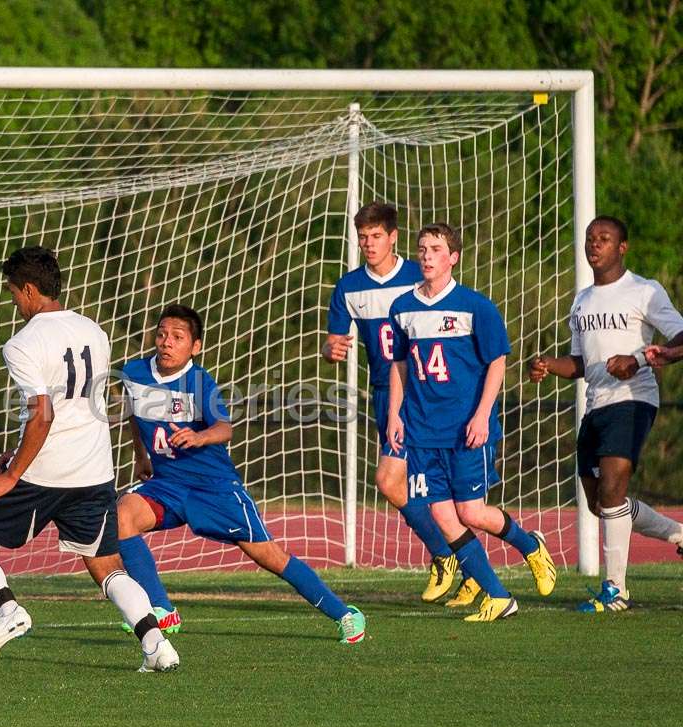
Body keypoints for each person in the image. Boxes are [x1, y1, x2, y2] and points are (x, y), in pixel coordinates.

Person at [0, 246, 180, 672]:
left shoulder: (22, 343)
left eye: (13, 294)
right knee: (107, 566)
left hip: (44, 471)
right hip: (93, 469)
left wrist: (11, 474)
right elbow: (73, 407)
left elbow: (45, 413)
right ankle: (156, 645)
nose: (13, 302)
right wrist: (18, 451)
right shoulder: (95, 331)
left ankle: (8, 612)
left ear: (29, 290)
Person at [115, 304, 367, 645]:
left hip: (214, 488)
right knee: (122, 516)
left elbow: (224, 428)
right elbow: (134, 411)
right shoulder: (134, 372)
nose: (166, 343)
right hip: (167, 485)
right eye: (161, 334)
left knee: (269, 556)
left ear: (196, 346)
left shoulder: (199, 382)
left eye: (177, 337)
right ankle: (162, 610)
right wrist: (140, 456)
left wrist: (199, 436)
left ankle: (345, 614)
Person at [388, 223, 557, 622]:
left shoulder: (475, 306)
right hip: (421, 430)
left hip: (466, 428)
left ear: (453, 257)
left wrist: (482, 415)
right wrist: (396, 413)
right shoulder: (402, 308)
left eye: (436, 248)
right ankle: (499, 596)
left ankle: (529, 545)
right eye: (422, 248)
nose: (426, 255)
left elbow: (497, 362)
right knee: (443, 517)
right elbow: (399, 365)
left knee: (472, 513)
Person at [527, 216, 683, 609]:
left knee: (613, 491)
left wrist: (642, 360)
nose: (595, 245)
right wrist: (549, 364)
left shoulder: (644, 291)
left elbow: (680, 337)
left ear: (622, 247)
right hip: (595, 404)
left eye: (604, 239)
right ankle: (680, 535)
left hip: (633, 400)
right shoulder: (582, 300)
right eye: (590, 239)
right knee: (602, 505)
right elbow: (580, 364)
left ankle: (615, 590)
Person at [322, 202, 458, 601]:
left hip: (429, 396)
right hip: (387, 394)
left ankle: (451, 558)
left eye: (376, 236)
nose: (368, 243)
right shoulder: (349, 287)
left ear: (393, 236)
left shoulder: (420, 275)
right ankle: (453, 559)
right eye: (362, 237)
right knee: (401, 485)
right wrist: (330, 348)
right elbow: (333, 340)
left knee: (413, 483)